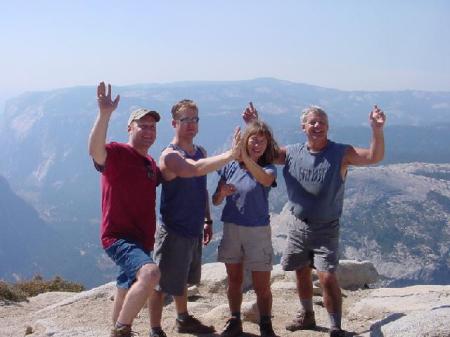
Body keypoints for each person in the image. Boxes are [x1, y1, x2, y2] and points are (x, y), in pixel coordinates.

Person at [243, 104, 386, 337]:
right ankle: (307, 315)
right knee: (300, 271)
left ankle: (335, 326)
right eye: (312, 122)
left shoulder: (341, 153)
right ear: (303, 127)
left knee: (327, 276)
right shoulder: (291, 153)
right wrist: (253, 124)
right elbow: (262, 152)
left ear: (328, 127)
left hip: (326, 227)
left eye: (321, 122)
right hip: (298, 224)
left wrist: (377, 130)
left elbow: (373, 157)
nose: (317, 126)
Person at [149, 99, 241, 337]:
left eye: (195, 119)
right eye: (185, 120)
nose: (191, 124)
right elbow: (194, 170)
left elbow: (201, 189)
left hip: (193, 227)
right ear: (174, 123)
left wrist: (207, 220)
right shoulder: (170, 156)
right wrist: (232, 154)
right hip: (173, 229)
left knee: (181, 280)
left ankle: (183, 319)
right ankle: (155, 329)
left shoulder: (200, 151)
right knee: (160, 284)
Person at [88, 82, 161, 337]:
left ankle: (114, 328)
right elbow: (95, 151)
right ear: (130, 128)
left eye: (152, 127)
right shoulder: (118, 153)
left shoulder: (150, 162)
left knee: (125, 284)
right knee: (150, 273)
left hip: (141, 239)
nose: (149, 131)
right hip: (118, 237)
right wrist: (104, 114)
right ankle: (122, 329)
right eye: (143, 125)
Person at [212, 118, 280, 337]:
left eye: (262, 142)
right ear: (246, 140)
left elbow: (264, 180)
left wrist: (244, 156)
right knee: (234, 279)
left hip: (257, 231)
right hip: (232, 228)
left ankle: (266, 324)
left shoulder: (267, 168)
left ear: (267, 146)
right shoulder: (230, 166)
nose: (257, 145)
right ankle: (234, 319)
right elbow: (215, 200)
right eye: (253, 140)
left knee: (262, 284)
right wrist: (221, 192)